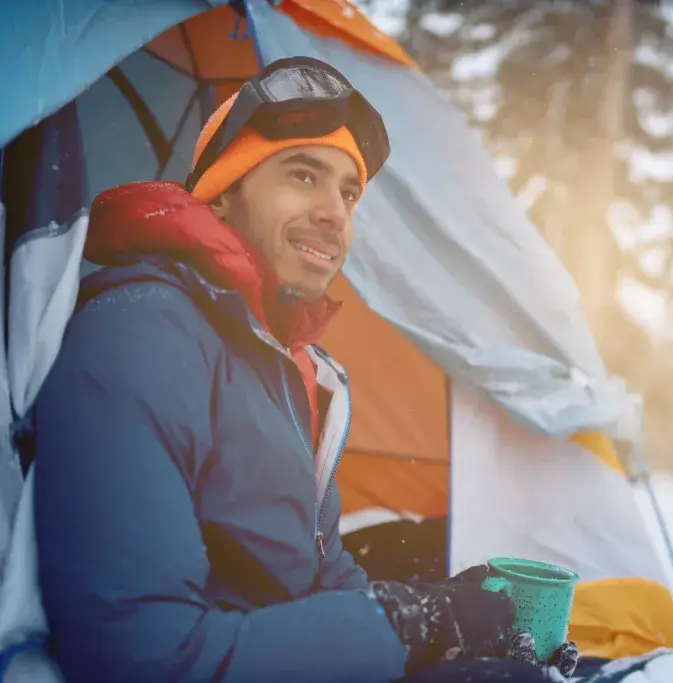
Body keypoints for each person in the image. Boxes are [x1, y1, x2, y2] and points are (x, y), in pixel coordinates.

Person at [31, 56, 578, 683]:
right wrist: (413, 622)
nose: (335, 212)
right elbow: (140, 656)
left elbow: (321, 578)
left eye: (348, 192)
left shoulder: (293, 369)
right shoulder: (140, 333)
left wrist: (450, 628)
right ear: (224, 195)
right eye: (303, 175)